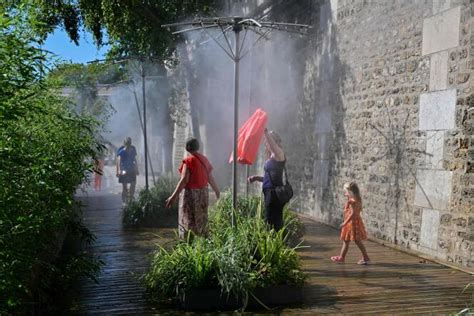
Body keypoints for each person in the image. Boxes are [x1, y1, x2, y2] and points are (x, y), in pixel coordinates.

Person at [165, 138, 220, 238]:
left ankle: (188, 243)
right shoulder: (204, 160)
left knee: (188, 219)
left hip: (191, 195)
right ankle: (203, 240)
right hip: (203, 194)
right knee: (201, 218)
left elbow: (184, 180)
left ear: (187, 148)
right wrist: (217, 190)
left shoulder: (188, 161)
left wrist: (173, 197)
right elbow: (210, 178)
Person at [248, 128, 286, 231]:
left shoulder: (279, 154)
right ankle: (272, 240)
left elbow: (273, 147)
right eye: (265, 141)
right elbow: (269, 178)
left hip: (274, 193)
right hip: (269, 192)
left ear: (274, 141)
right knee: (269, 219)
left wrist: (266, 133)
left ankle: (276, 242)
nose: (266, 143)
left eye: (268, 140)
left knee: (273, 220)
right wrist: (256, 178)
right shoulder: (271, 157)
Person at [331, 181, 371, 265]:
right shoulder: (358, 199)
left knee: (355, 241)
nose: (344, 193)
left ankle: (365, 257)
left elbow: (353, 214)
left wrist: (344, 223)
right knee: (348, 240)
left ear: (350, 192)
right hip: (355, 222)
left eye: (345, 191)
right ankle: (342, 257)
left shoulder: (352, 201)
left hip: (351, 224)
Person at [116, 137, 138, 204]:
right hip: (124, 170)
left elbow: (135, 160)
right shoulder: (122, 151)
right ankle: (124, 202)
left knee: (133, 184)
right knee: (124, 187)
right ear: (125, 144)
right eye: (127, 144)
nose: (128, 145)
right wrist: (118, 170)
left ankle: (131, 198)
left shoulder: (133, 150)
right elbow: (118, 161)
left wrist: (136, 169)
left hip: (131, 169)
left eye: (129, 143)